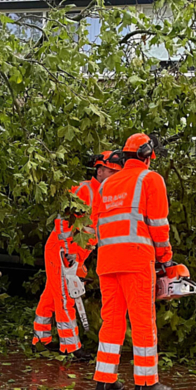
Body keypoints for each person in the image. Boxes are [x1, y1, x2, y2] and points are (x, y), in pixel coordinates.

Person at [91, 133, 173, 390]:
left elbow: (96, 225)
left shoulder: (105, 186)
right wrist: (166, 259)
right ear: (147, 154)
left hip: (107, 261)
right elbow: (158, 225)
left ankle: (105, 381)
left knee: (112, 321)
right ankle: (147, 383)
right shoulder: (150, 179)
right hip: (136, 259)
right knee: (142, 321)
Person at [32, 151, 124, 358]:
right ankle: (71, 347)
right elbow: (65, 223)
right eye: (111, 172)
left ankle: (40, 339)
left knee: (52, 293)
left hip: (74, 252)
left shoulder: (108, 194)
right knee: (66, 296)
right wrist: (68, 254)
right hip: (63, 250)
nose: (114, 176)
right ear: (99, 171)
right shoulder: (83, 189)